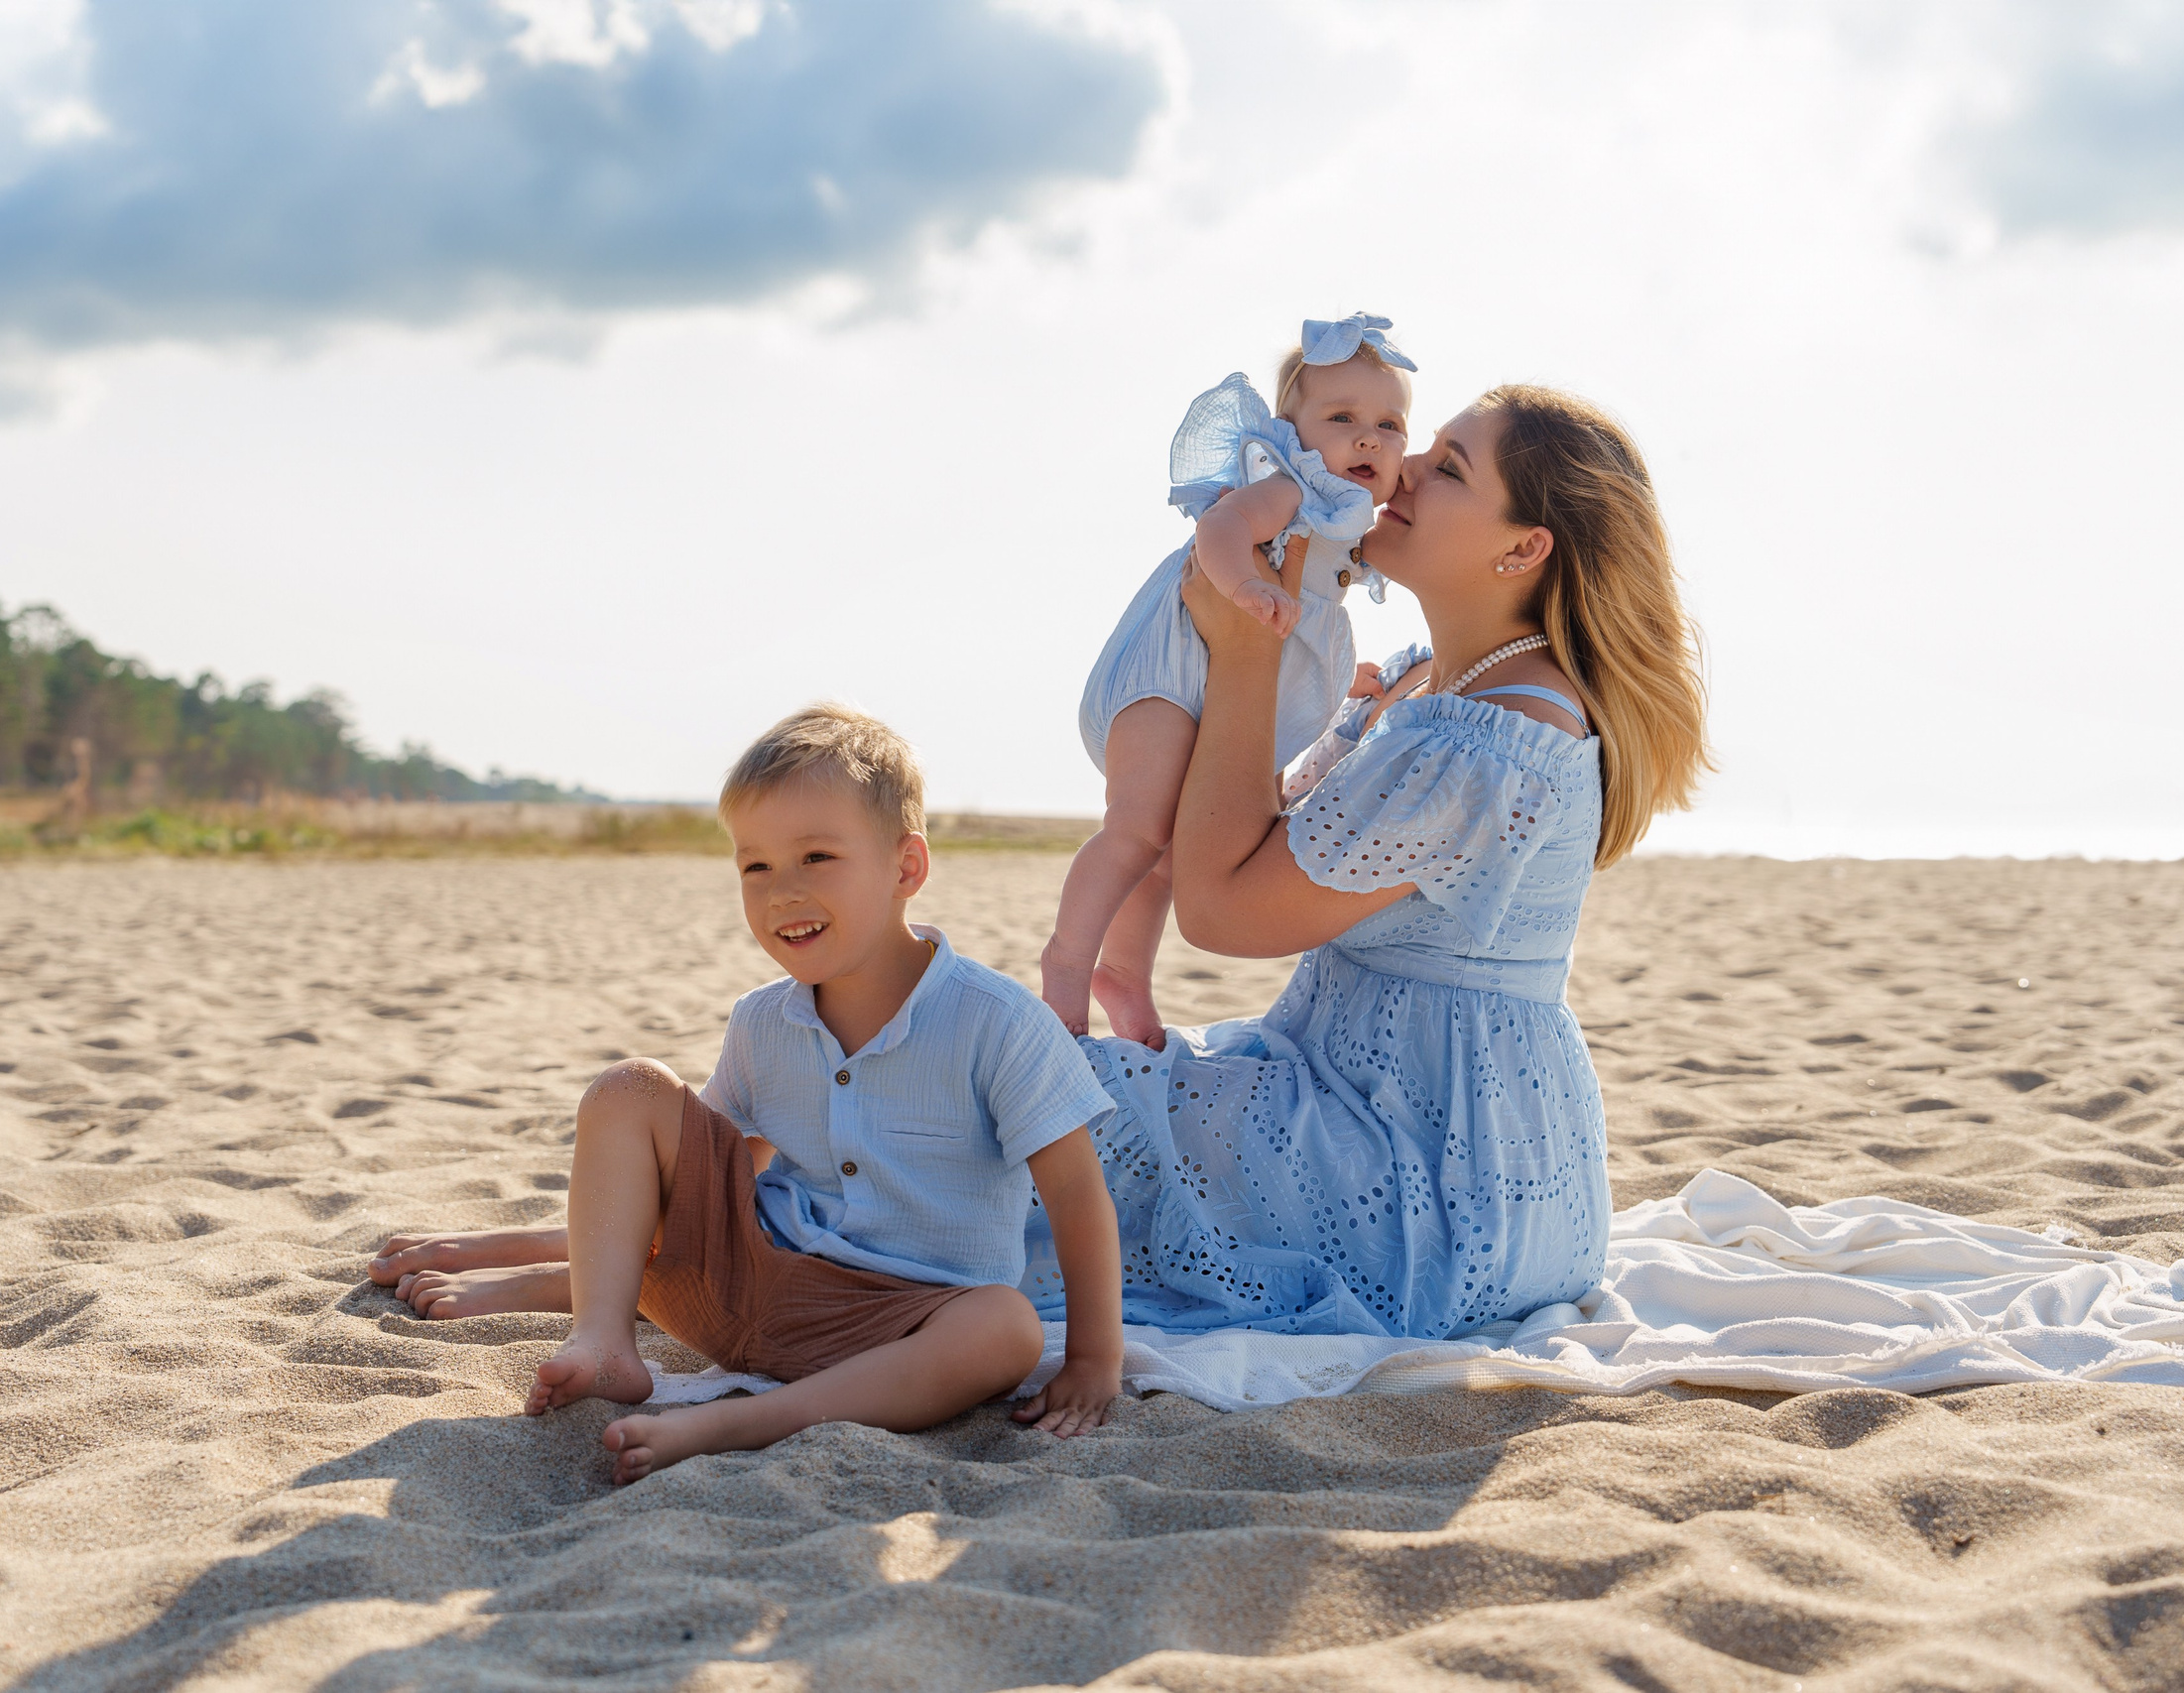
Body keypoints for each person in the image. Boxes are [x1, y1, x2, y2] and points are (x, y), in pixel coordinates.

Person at [1024, 385, 1710, 1341]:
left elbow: (1220, 909)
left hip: (1425, 1192)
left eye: (1452, 468)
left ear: (1522, 548)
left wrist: (1243, 647)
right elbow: (1248, 828)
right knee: (1051, 1091)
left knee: (1030, 1105)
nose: (1406, 466)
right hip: (1398, 1115)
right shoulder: (1431, 684)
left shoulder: (1493, 736)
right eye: (1424, 447)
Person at [373, 706, 1126, 1482]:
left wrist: (1096, 1357)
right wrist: (503, 1238)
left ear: (906, 868)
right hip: (745, 1290)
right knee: (629, 1088)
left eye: (816, 857)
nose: (781, 893)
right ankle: (602, 1340)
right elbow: (687, 1195)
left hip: (894, 1330)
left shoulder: (996, 1022)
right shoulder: (763, 1021)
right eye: (755, 867)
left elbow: (1075, 1194)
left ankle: (744, 1419)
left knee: (1007, 1327)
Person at [1041, 313, 1415, 1048]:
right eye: (1342, 417)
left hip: (1230, 681)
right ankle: (1066, 960)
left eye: (1390, 423)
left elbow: (1313, 609)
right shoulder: (1289, 485)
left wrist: (1344, 685)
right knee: (1138, 826)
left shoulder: (1351, 518)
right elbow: (1220, 530)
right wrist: (1244, 585)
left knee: (1175, 852)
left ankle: (1122, 973)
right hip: (1176, 670)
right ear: (1292, 429)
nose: (1369, 437)